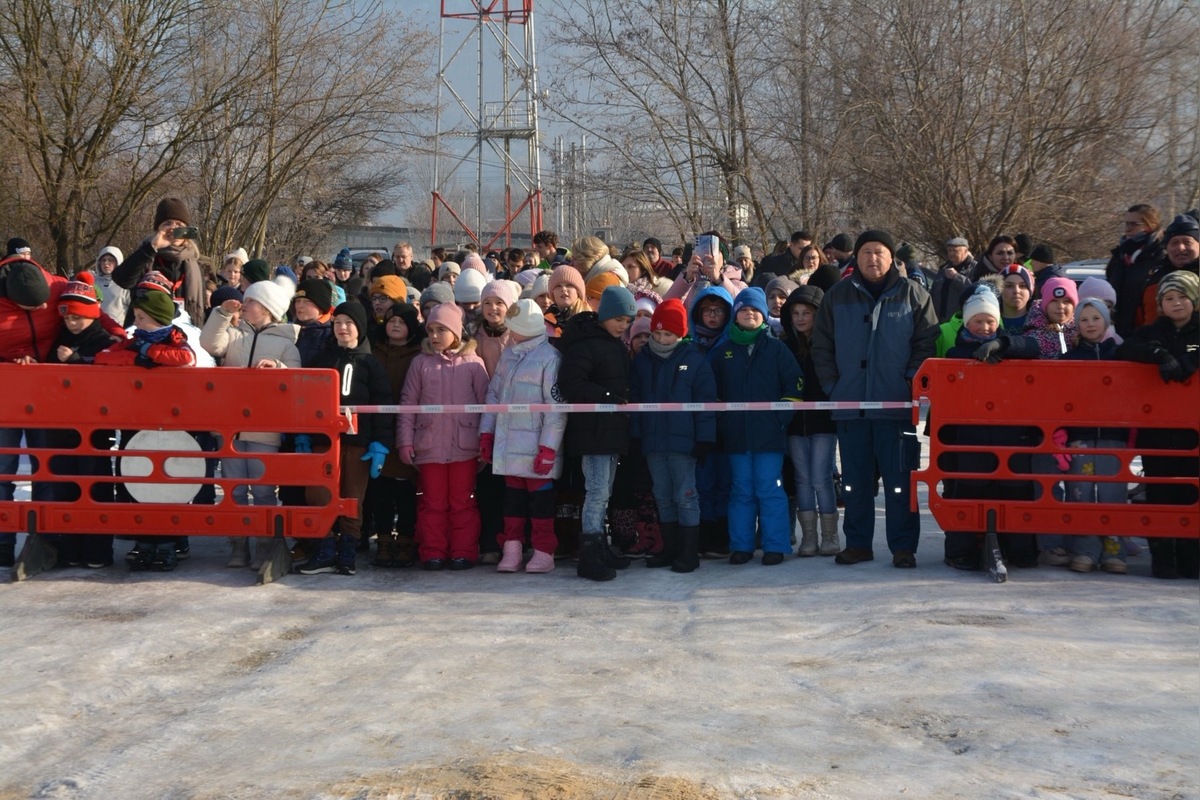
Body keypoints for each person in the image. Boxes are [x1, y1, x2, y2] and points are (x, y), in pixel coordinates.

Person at [811, 229, 938, 568]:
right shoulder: (838, 296)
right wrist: (833, 386)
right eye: (866, 252)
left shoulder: (913, 295)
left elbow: (926, 344)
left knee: (899, 483)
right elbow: (821, 345)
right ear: (858, 256)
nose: (872, 258)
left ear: (890, 256)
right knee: (855, 483)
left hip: (896, 407)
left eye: (879, 252)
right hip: (851, 407)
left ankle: (902, 546)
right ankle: (858, 544)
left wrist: (909, 380)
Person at [94, 280, 197, 572]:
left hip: (168, 424)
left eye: (141, 318)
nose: (135, 323)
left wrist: (151, 354)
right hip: (135, 420)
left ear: (156, 317)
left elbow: (185, 359)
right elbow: (104, 358)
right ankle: (144, 541)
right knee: (135, 479)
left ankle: (167, 543)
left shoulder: (174, 337)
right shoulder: (134, 339)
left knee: (165, 483)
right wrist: (135, 357)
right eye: (135, 317)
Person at [200, 277, 301, 570]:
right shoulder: (233, 335)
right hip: (230, 427)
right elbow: (209, 343)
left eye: (253, 301)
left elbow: (295, 381)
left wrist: (278, 369)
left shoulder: (287, 344)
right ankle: (238, 544)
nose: (246, 303)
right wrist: (220, 314)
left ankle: (265, 545)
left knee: (264, 491)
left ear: (268, 309)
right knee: (233, 489)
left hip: (265, 430)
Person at [939, 285, 1041, 571]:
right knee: (969, 491)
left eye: (990, 322)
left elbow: (1033, 347)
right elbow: (952, 360)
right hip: (970, 438)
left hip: (1010, 436)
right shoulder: (956, 351)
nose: (984, 328)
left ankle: (1020, 550)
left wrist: (1002, 345)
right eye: (978, 321)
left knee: (1014, 490)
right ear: (967, 322)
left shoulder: (1011, 346)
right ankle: (962, 551)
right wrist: (975, 355)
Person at [707, 287, 804, 565]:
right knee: (741, 491)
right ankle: (742, 546)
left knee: (770, 489)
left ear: (763, 315)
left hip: (769, 437)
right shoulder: (723, 352)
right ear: (735, 315)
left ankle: (775, 545)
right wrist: (723, 419)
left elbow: (794, 383)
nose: (749, 313)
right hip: (736, 437)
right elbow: (711, 390)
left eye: (755, 309)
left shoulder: (776, 348)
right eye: (743, 309)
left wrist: (780, 418)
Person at [297, 302, 393, 576]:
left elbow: (383, 405)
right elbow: (305, 399)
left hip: (357, 445)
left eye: (348, 323)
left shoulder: (370, 364)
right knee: (318, 495)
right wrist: (304, 434)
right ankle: (324, 550)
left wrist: (380, 443)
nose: (342, 328)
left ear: (359, 328)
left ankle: (347, 554)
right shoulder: (322, 359)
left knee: (352, 498)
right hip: (323, 442)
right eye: (338, 322)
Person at [1117, 271, 1199, 579]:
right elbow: (1124, 349)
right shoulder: (1153, 331)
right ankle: (1163, 559)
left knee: (1191, 494)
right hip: (1159, 432)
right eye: (1169, 298)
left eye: (1181, 297)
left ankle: (1192, 559)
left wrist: (1194, 359)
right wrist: (1159, 354)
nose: (1176, 303)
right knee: (1161, 493)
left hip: (1194, 433)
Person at [397, 304, 489, 570]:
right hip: (429, 448)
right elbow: (407, 404)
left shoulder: (473, 363)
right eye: (431, 330)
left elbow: (486, 406)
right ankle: (433, 551)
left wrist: (485, 441)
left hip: (465, 448)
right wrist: (405, 440)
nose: (435, 335)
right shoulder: (420, 363)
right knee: (432, 502)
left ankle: (463, 551)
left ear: (457, 333)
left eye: (442, 330)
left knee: (463, 502)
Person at [480, 299, 567, 573]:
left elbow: (555, 409)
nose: (510, 333)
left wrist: (548, 448)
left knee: (541, 504)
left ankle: (543, 551)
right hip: (509, 447)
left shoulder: (549, 359)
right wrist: (486, 432)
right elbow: (494, 395)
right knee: (512, 503)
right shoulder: (509, 355)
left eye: (513, 328)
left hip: (535, 449)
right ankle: (512, 549)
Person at [630, 298, 716, 573]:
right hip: (653, 442)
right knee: (662, 495)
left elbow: (705, 404)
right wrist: (635, 436)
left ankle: (689, 552)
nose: (661, 339)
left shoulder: (694, 361)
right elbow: (636, 402)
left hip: (684, 443)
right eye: (657, 333)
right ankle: (669, 549)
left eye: (668, 334)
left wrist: (705, 438)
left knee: (686, 495)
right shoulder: (643, 361)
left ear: (680, 334)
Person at [557, 285, 636, 581]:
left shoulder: (613, 343)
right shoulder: (586, 344)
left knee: (605, 492)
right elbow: (571, 384)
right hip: (593, 431)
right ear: (605, 315)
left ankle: (599, 546)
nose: (623, 326)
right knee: (597, 492)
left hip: (611, 429)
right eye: (619, 319)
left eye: (628, 321)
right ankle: (590, 553)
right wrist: (606, 396)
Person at [49, 271, 123, 569]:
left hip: (95, 429)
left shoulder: (103, 341)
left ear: (91, 314)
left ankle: (97, 550)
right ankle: (70, 549)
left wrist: (76, 362)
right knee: (65, 486)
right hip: (62, 427)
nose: (72, 323)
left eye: (78, 317)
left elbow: (106, 377)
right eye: (68, 317)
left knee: (96, 486)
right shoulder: (58, 338)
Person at [1055, 298, 1128, 574]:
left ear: (1106, 321)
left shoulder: (1120, 354)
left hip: (1113, 436)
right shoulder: (1069, 358)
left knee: (1112, 494)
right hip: (1081, 436)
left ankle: (1113, 551)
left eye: (1095, 318)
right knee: (1080, 493)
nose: (1090, 324)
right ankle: (1085, 550)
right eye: (1084, 319)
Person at [780, 285, 839, 557]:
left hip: (823, 423)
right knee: (802, 479)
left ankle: (830, 536)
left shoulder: (830, 343)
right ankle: (809, 537)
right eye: (795, 313)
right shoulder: (784, 345)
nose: (801, 318)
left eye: (807, 313)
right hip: (794, 424)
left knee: (821, 478)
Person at [368, 302, 425, 568]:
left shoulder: (418, 354)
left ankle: (405, 537)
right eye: (391, 321)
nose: (396, 325)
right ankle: (382, 537)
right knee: (379, 490)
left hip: (407, 430)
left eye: (402, 322)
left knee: (405, 490)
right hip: (377, 429)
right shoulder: (373, 351)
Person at [112, 197, 206, 328]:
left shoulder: (194, 263)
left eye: (179, 225)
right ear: (158, 229)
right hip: (144, 329)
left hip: (182, 333)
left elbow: (200, 306)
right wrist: (152, 247)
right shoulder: (147, 255)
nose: (173, 229)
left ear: (186, 231)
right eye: (168, 223)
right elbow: (121, 279)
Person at [1107, 203, 1165, 338]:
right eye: (1126, 224)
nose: (1127, 229)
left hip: (1146, 330)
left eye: (1133, 224)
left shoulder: (1159, 256)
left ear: (1150, 225)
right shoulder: (1120, 256)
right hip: (1118, 330)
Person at [1024, 276, 1078, 360]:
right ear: (1045, 305)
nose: (1060, 306)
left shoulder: (1082, 332)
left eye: (1066, 301)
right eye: (1054, 301)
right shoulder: (1033, 336)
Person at [931, 237, 974, 322]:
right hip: (940, 320)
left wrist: (956, 277)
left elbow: (975, 290)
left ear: (965, 251)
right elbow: (934, 291)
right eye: (949, 250)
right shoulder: (944, 268)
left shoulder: (975, 268)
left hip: (962, 320)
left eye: (955, 251)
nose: (951, 253)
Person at [545, 265, 589, 339]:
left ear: (578, 291)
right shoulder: (544, 323)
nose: (563, 289)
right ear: (552, 293)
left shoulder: (589, 320)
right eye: (558, 286)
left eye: (569, 285)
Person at [90, 246, 130, 324]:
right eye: (103, 260)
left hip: (117, 330)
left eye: (110, 260)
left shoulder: (125, 284)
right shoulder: (93, 282)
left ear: (118, 262)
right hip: (96, 330)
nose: (106, 263)